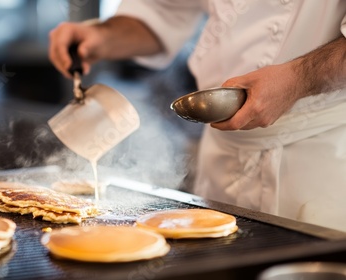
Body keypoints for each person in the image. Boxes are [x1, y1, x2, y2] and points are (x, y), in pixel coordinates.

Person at [48, 0, 346, 231]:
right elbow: (162, 11)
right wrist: (103, 35)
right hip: (223, 155)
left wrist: (297, 79)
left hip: (316, 155)